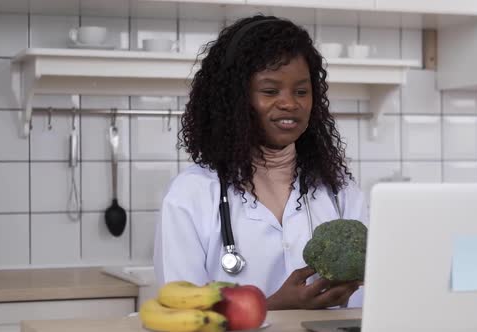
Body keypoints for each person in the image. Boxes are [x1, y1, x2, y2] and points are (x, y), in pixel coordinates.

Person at [154, 15, 368, 310]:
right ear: (235, 99)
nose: (290, 103)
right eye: (270, 91)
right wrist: (274, 307)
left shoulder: (339, 190)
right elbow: (182, 314)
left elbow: (365, 306)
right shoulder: (190, 195)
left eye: (301, 91)